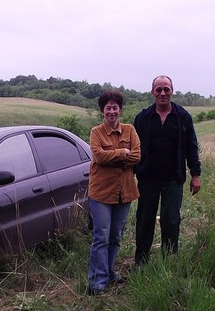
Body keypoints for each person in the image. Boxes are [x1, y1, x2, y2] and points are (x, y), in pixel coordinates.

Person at [133, 75, 201, 266]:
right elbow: (134, 148)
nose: (163, 93)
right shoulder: (143, 118)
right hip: (147, 177)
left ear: (172, 91)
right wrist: (129, 175)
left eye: (166, 89)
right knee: (144, 220)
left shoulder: (183, 116)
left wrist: (196, 174)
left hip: (173, 178)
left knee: (171, 220)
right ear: (152, 92)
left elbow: (191, 147)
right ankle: (141, 262)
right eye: (159, 89)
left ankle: (169, 261)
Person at [86, 90, 141, 294]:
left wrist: (116, 157)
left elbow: (136, 156)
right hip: (101, 193)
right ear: (102, 111)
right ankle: (97, 281)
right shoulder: (96, 132)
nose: (112, 111)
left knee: (116, 235)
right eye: (108, 108)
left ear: (120, 109)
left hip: (124, 191)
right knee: (101, 236)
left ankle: (108, 271)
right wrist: (121, 153)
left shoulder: (130, 130)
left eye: (115, 107)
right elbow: (99, 157)